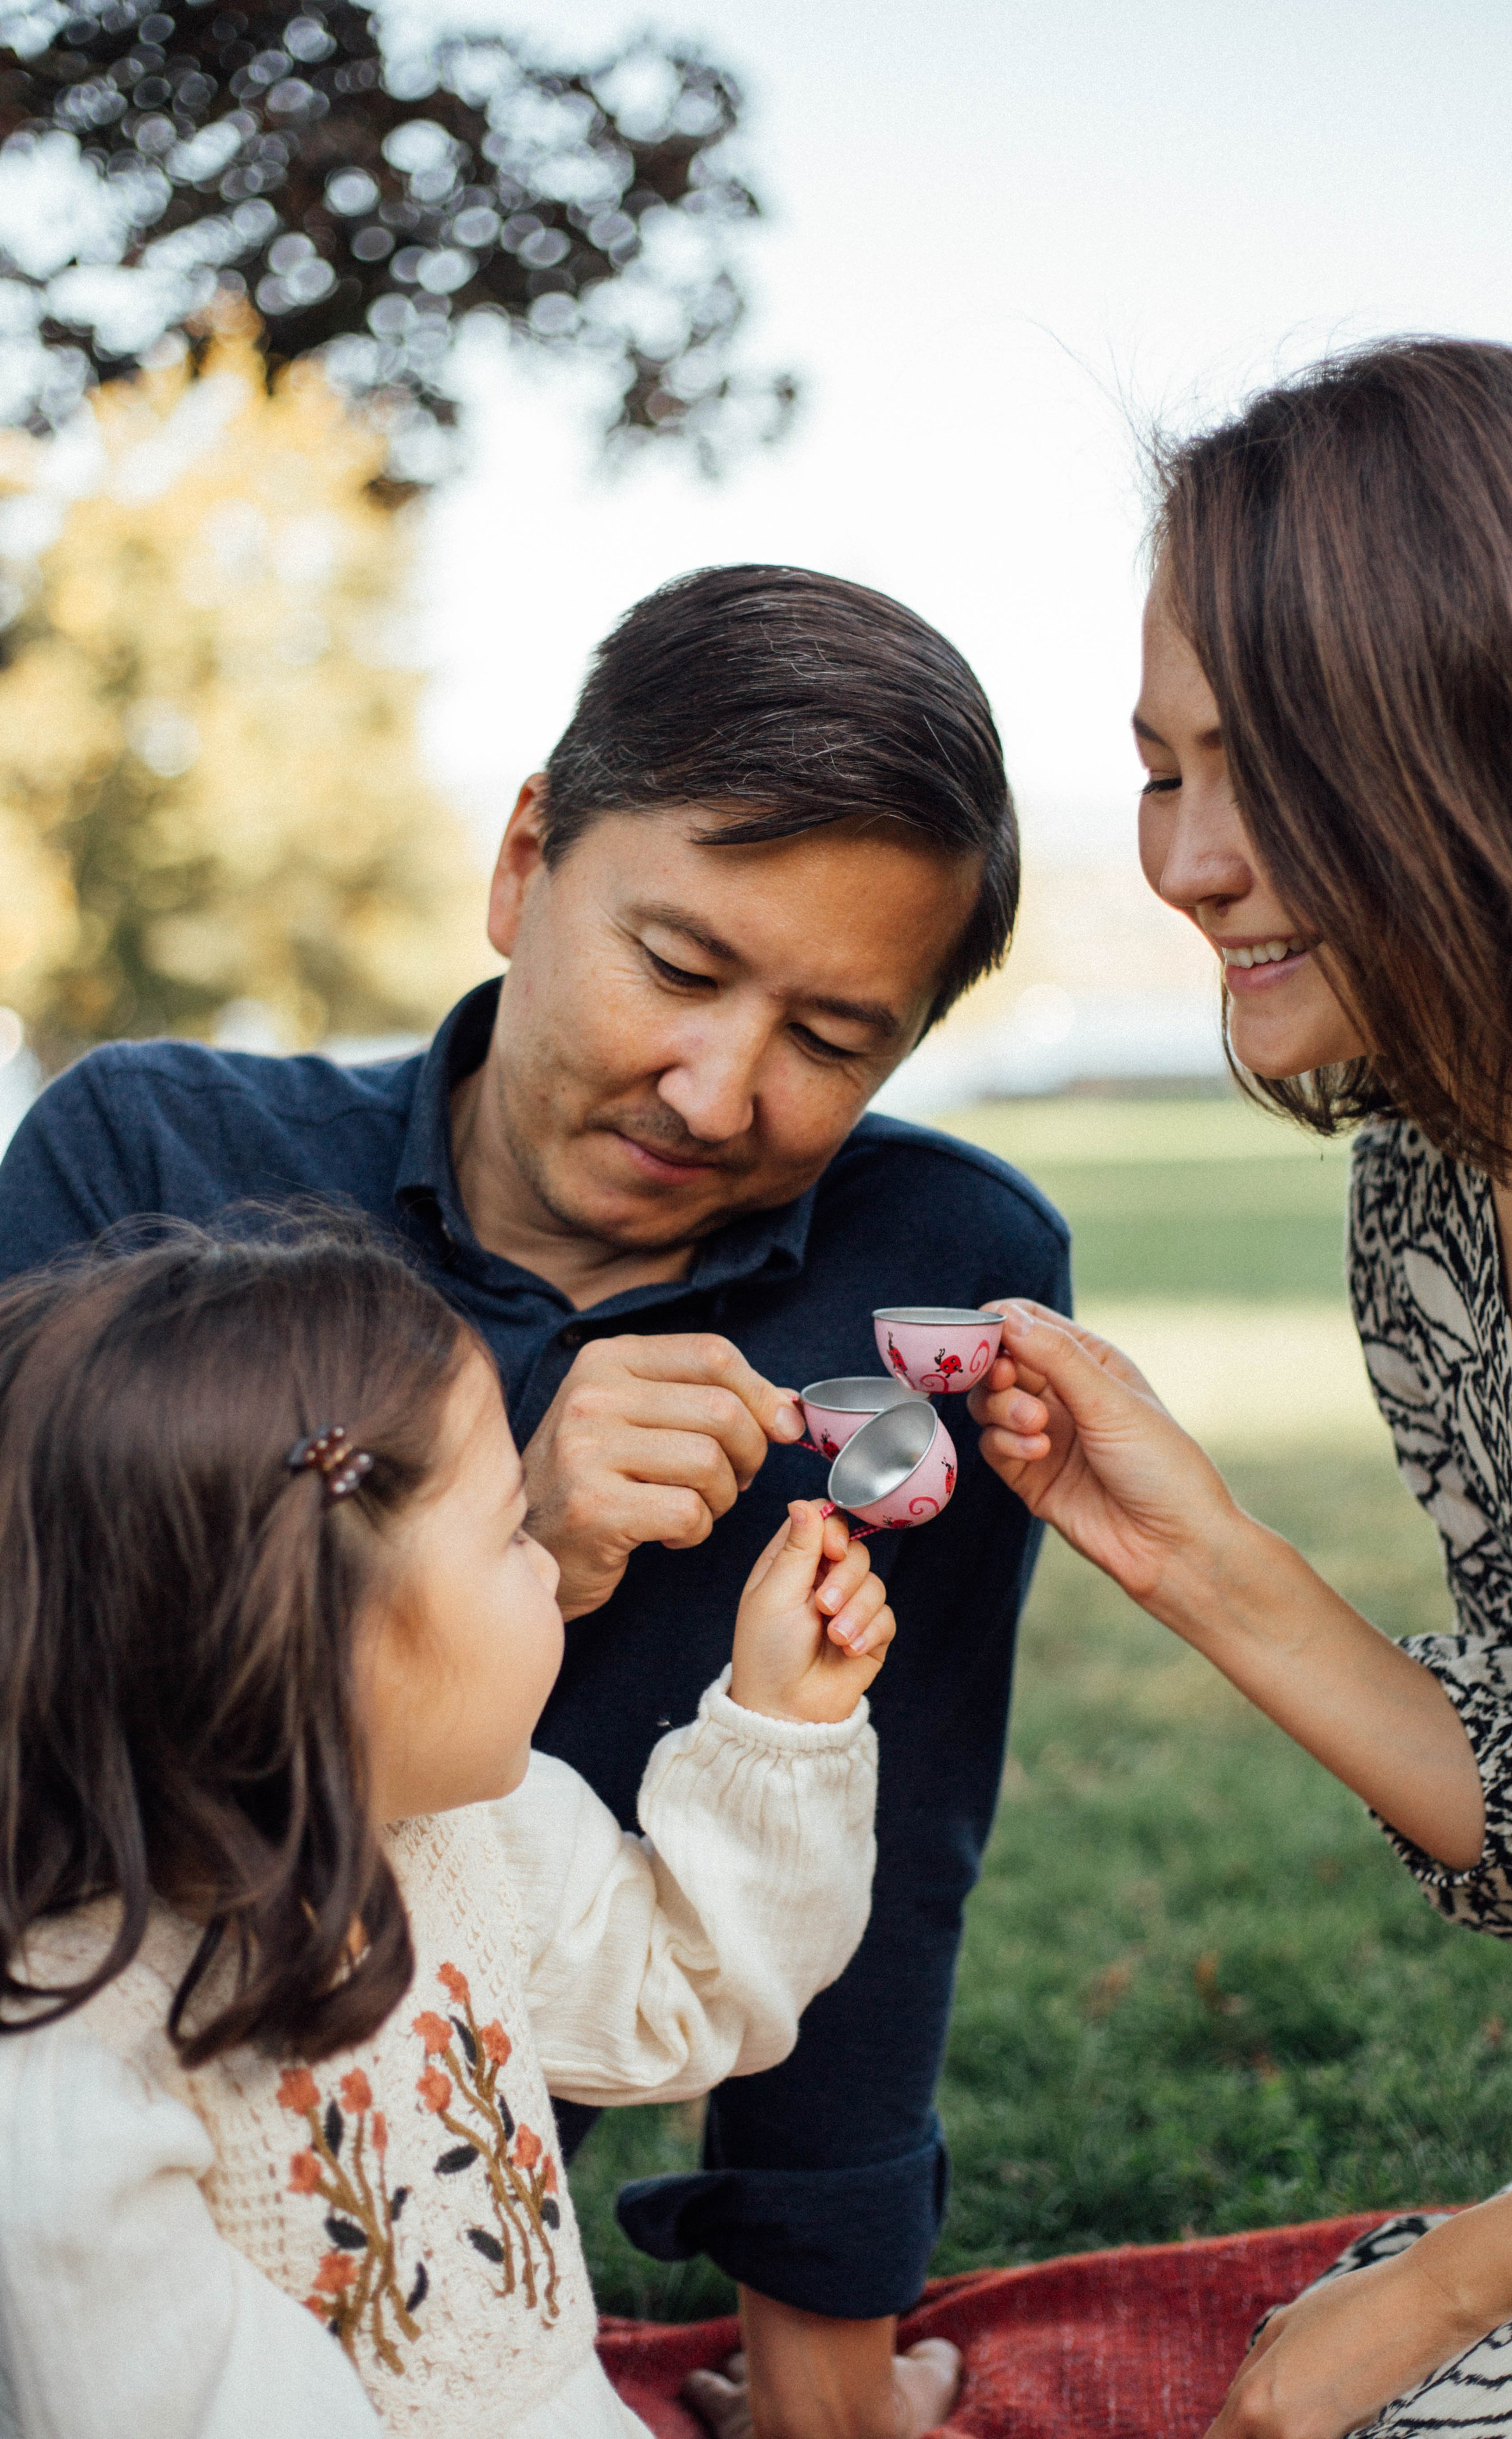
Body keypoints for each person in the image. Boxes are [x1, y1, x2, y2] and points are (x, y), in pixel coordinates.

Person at [0, 564, 1070, 2439]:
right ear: (523, 863)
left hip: (452, 2214)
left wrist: (825, 2350)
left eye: (835, 1040)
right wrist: (512, 1519)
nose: (719, 1091)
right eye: (678, 966)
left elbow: (894, 1858)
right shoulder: (152, 1168)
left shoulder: (944, 1271)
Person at [973, 338, 1512, 2438]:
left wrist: (1447, 2289)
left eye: (1268, 768)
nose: (1187, 860)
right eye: (1164, 769)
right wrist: (1204, 1562)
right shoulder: (1431, 1207)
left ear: (1501, 738)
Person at [0, 1220, 902, 2439]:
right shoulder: (67, 2087)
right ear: (323, 1649)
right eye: (511, 1533)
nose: (555, 1567)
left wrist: (779, 1726)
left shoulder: (460, 1829)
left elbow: (684, 1990)